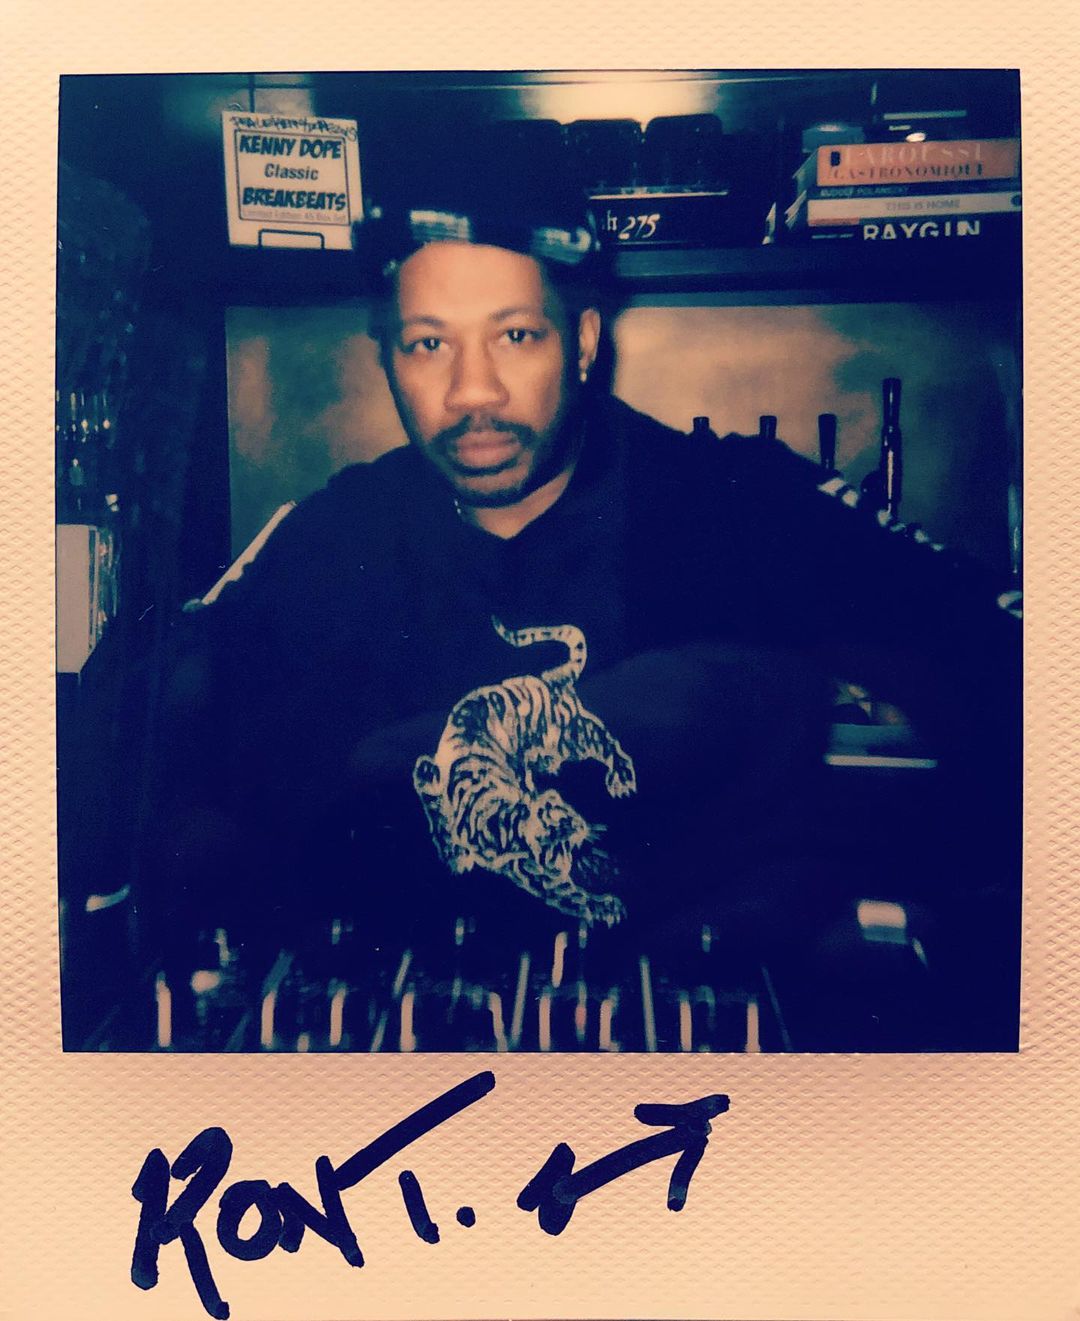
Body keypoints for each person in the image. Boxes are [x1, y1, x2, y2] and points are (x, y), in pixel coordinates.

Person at [155, 177, 1020, 1049]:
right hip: (421, 1058)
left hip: (708, 1064)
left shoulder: (741, 502)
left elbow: (1005, 659)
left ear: (583, 342)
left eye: (516, 335)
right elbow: (169, 764)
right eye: (429, 344)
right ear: (387, 358)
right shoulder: (324, 539)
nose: (473, 391)